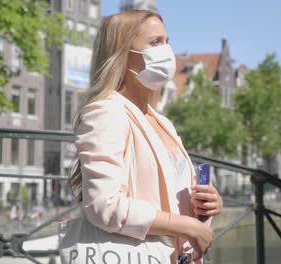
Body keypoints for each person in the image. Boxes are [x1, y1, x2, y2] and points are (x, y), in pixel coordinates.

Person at [70, 10, 223, 263]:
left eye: (167, 41)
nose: (167, 51)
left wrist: (206, 205)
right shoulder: (106, 110)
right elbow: (104, 205)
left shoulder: (162, 122)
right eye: (155, 43)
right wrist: (185, 225)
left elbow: (170, 194)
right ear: (122, 54)